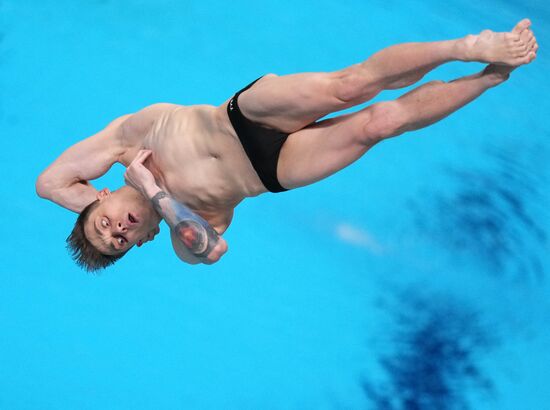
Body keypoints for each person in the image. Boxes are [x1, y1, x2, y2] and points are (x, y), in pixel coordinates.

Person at [36, 19, 538, 272]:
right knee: (381, 123)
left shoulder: (124, 142)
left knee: (351, 85)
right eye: (119, 241)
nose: (118, 229)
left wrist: (93, 209)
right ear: (140, 243)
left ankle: (468, 47)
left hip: (240, 117)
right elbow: (213, 253)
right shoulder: (182, 230)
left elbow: (48, 183)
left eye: (105, 224)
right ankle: (492, 76)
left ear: (99, 196)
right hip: (273, 169)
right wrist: (152, 192)